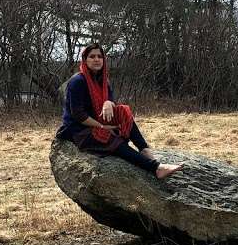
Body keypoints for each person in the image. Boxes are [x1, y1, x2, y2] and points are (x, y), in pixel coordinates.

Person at [56, 44, 183, 180]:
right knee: (111, 138)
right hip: (79, 129)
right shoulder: (77, 81)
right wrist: (103, 127)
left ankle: (145, 151)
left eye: (100, 56)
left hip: (97, 121)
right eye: (92, 57)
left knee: (123, 113)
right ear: (85, 60)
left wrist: (108, 103)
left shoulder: (104, 81)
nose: (97, 59)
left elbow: (112, 103)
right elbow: (78, 115)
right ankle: (156, 168)